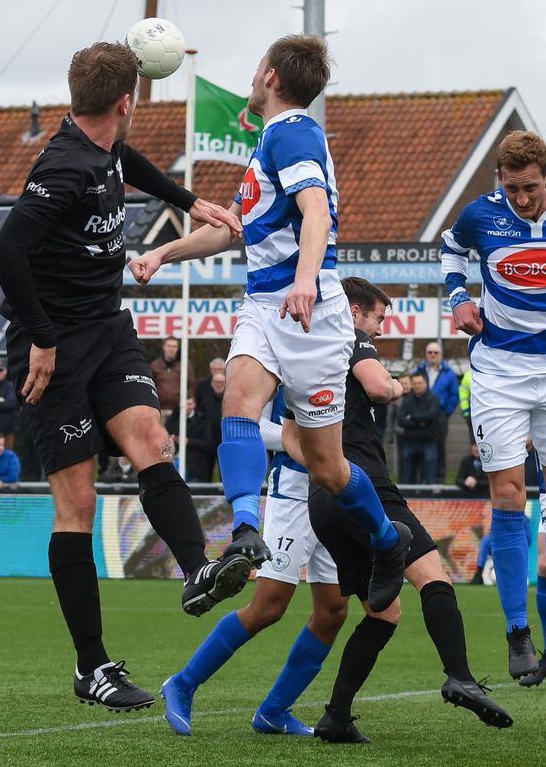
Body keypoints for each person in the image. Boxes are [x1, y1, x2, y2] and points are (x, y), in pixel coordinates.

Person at [0, 40, 250, 711]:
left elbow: (125, 160)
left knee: (151, 443)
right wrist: (42, 341)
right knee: (77, 505)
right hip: (52, 352)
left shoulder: (99, 142)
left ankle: (197, 572)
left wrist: (189, 200)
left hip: (107, 330)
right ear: (126, 103)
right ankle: (92, 667)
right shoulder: (66, 166)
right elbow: (6, 250)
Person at [130, 35, 411, 618]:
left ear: (273, 77)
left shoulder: (293, 132)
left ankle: (389, 540)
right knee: (239, 400)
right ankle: (244, 532)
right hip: (263, 305)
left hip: (309, 311)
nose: (253, 74)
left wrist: (306, 279)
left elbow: (317, 210)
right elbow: (233, 230)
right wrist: (163, 254)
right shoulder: (268, 143)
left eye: (258, 65)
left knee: (329, 468)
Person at [297, 277, 511, 742]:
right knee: (434, 577)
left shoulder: (302, 353)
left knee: (384, 614)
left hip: (323, 500)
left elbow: (291, 435)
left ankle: (336, 717)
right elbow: (376, 387)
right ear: (353, 311)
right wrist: (395, 385)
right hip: (363, 486)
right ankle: (461, 676)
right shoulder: (352, 340)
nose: (379, 328)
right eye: (377, 317)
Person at [441, 129, 546, 680]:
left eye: (530, 188)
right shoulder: (480, 216)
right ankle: (518, 631)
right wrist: (458, 298)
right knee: (509, 496)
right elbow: (448, 248)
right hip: (498, 373)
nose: (521, 199)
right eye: (511, 188)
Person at [160, 389, 348, 737]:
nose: (379, 329)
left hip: (339, 490)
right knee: (268, 606)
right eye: (374, 327)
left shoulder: (351, 357)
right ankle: (183, 684)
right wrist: (301, 439)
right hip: (293, 494)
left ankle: (274, 711)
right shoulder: (280, 351)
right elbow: (253, 427)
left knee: (333, 611)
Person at [414, 342, 459, 482]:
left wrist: (446, 412)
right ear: (426, 354)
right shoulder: (419, 370)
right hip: (421, 416)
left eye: (436, 353)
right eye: (430, 352)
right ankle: (421, 480)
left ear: (440, 355)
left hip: (440, 416)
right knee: (420, 446)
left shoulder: (448, 372)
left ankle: (440, 479)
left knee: (439, 447)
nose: (433, 355)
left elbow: (454, 395)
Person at [397, 372, 441, 483]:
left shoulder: (433, 398)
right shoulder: (407, 401)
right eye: (415, 383)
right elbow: (401, 420)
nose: (417, 386)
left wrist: (412, 417)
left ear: (425, 383)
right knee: (406, 477)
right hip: (409, 442)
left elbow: (432, 415)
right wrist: (422, 422)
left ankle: (432, 500)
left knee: (430, 478)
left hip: (428, 442)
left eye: (420, 383)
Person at [165, 398, 215, 482]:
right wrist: (171, 438)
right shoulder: (173, 418)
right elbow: (165, 436)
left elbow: (209, 444)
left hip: (195, 468)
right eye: (184, 404)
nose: (186, 407)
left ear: (194, 405)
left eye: (189, 404)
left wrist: (188, 442)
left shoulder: (202, 420)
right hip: (175, 465)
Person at [150, 336, 197, 419]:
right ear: (164, 347)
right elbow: (149, 385)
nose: (171, 349)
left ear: (177, 349)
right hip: (159, 410)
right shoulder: (155, 365)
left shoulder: (185, 365)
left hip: (178, 411)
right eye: (169, 346)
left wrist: (188, 400)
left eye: (174, 346)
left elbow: (192, 384)